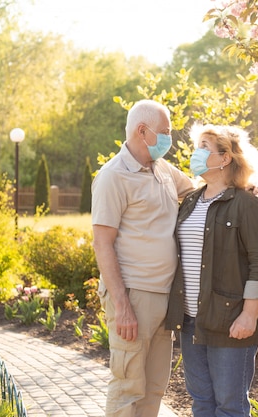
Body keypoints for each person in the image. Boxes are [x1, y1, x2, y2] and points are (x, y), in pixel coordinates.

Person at [91, 99, 194, 417]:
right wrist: (122, 307)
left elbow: (196, 194)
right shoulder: (114, 176)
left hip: (165, 297)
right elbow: (102, 244)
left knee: (153, 390)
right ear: (142, 131)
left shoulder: (163, 170)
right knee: (127, 388)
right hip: (133, 297)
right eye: (165, 132)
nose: (170, 139)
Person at [166, 124, 258, 417]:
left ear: (225, 157)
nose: (195, 153)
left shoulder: (247, 204)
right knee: (201, 402)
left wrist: (249, 315)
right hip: (191, 321)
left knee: (230, 406)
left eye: (204, 147)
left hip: (231, 323)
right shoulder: (190, 202)